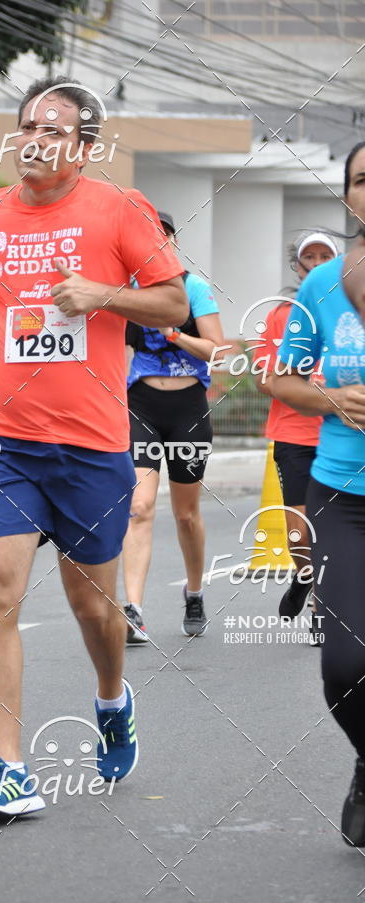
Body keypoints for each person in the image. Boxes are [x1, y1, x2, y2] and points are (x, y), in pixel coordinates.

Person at [0, 76, 188, 825]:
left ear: (85, 147)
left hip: (92, 445)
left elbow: (173, 301)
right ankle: (9, 768)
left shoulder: (119, 210)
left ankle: (111, 698)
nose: (35, 138)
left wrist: (102, 294)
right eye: (27, 124)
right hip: (1, 440)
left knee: (92, 608)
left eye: (54, 128)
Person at [269, 140, 365, 846]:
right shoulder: (323, 285)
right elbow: (280, 379)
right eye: (364, 179)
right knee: (345, 665)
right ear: (348, 195)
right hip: (343, 496)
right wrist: (331, 398)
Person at [122, 212, 224, 642]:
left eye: (163, 238)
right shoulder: (128, 292)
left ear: (174, 243)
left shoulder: (194, 288)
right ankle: (132, 609)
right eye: (148, 239)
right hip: (141, 403)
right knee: (139, 507)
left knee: (186, 514)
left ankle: (195, 592)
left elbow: (217, 351)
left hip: (188, 408)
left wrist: (174, 334)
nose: (156, 245)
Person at [253, 232, 338, 644]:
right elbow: (266, 380)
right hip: (293, 434)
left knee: (331, 528)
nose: (318, 262)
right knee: (299, 532)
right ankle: (303, 578)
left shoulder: (352, 314)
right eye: (310, 256)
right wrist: (318, 392)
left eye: (327, 256)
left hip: (344, 435)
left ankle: (324, 612)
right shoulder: (282, 316)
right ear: (297, 265)